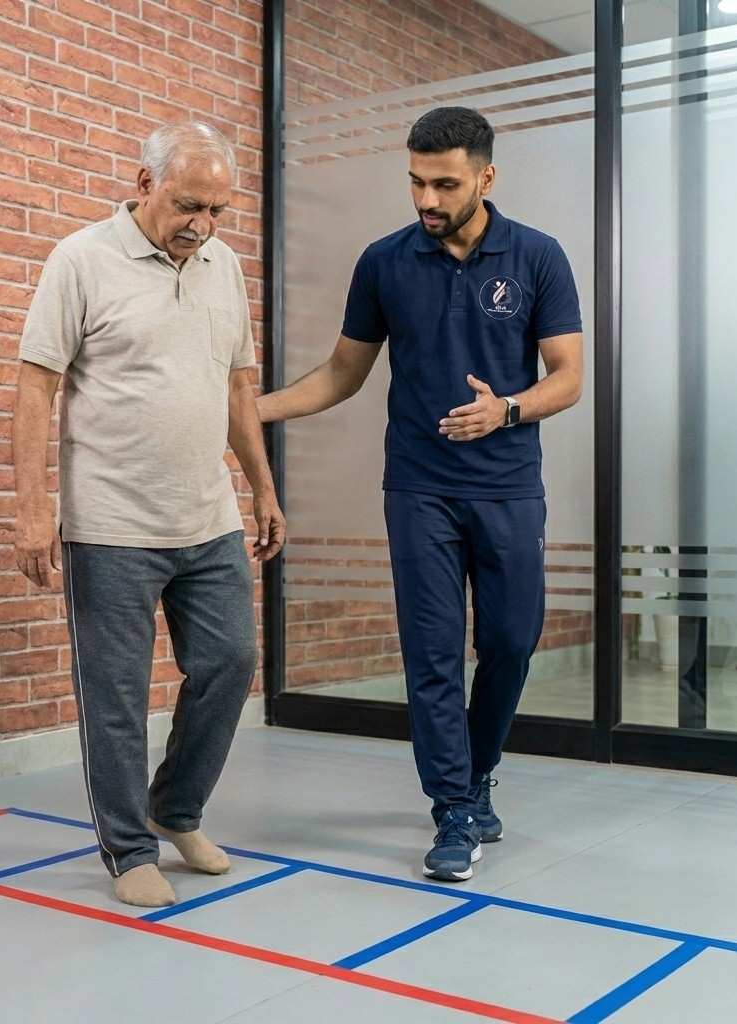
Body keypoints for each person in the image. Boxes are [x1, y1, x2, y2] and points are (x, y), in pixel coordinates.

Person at [257, 107, 582, 881]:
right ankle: (454, 809)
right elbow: (343, 373)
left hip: (507, 486)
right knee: (432, 654)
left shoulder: (537, 257)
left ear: (485, 178)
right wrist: (251, 409)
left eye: (444, 183)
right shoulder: (384, 263)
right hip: (418, 487)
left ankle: (475, 775)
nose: (426, 199)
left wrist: (505, 409)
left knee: (509, 641)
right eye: (415, 182)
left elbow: (567, 378)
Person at [12, 122, 285, 909]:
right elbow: (36, 387)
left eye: (218, 210)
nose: (201, 224)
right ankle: (128, 846)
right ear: (143, 183)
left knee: (232, 664)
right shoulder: (81, 259)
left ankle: (175, 809)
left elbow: (238, 387)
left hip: (208, 516)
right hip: (111, 524)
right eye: (187, 203)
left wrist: (260, 488)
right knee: (117, 695)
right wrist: (34, 511)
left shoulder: (224, 267)